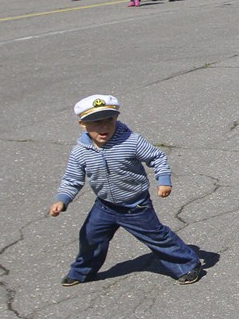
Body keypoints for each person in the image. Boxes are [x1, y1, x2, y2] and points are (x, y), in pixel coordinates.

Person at [49, 94, 203, 286]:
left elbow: (157, 157)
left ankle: (187, 265)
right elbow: (72, 179)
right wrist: (62, 199)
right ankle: (82, 271)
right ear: (83, 124)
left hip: (135, 205)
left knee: (157, 237)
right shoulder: (80, 151)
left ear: (116, 119)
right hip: (104, 206)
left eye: (109, 121)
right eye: (96, 123)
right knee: (90, 238)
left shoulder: (131, 141)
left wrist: (163, 180)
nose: (104, 127)